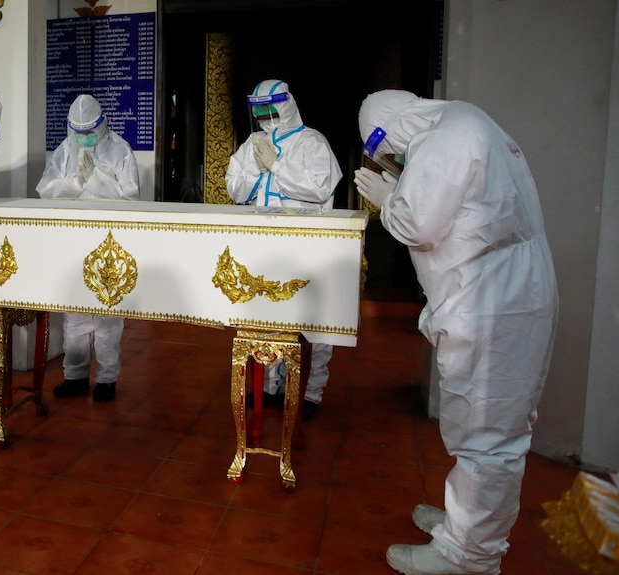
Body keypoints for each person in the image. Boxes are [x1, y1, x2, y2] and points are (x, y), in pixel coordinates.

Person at [354, 90, 558, 575]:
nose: (391, 159)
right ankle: (463, 523)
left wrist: (389, 200)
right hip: (504, 294)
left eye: (385, 150)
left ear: (388, 127)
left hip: (493, 303)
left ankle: (468, 558)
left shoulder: (445, 135)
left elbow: (418, 224)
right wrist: (406, 184)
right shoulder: (466, 122)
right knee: (481, 427)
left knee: (489, 437)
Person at [224, 79, 343, 421]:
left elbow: (320, 188)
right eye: (259, 111)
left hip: (307, 243)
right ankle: (270, 388)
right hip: (264, 242)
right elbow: (235, 188)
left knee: (311, 319)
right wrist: (258, 172)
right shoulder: (253, 142)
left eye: (271, 109)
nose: (266, 116)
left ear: (287, 105)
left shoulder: (312, 142)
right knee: (266, 316)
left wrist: (278, 167)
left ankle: (310, 391)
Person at [35, 94, 140, 402]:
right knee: (75, 313)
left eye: (89, 131)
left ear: (102, 123)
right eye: (78, 131)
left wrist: (95, 178)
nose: (84, 137)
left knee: (107, 313)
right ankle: (75, 375)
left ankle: (107, 379)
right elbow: (45, 190)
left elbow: (131, 197)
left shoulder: (120, 150)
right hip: (73, 238)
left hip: (110, 241)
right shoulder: (64, 151)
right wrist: (75, 182)